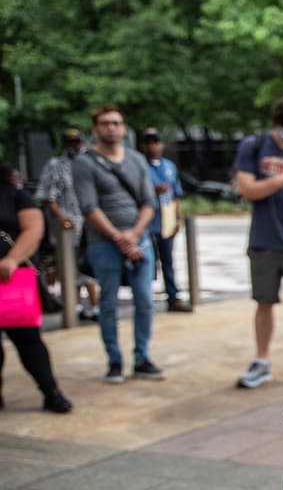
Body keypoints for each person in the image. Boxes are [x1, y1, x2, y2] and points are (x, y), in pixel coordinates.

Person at [72, 105, 163, 383]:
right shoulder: (85, 163)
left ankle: (142, 357)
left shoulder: (136, 160)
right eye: (105, 123)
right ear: (95, 129)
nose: (111, 128)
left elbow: (149, 202)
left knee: (144, 301)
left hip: (139, 240)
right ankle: (114, 360)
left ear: (124, 128)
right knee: (109, 302)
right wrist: (118, 238)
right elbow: (89, 207)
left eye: (116, 123)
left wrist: (133, 235)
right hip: (104, 242)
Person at [232, 94, 283, 389]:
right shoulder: (254, 145)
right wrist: (281, 180)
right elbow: (247, 190)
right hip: (264, 240)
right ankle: (262, 360)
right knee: (264, 302)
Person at [0, 161, 72, 414]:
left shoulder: (14, 195)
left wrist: (12, 259)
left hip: (9, 281)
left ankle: (51, 392)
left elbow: (33, 229)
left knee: (28, 341)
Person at [35, 128, 99, 321]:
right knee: (70, 267)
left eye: (76, 142)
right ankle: (76, 306)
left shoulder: (89, 163)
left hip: (89, 223)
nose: (74, 146)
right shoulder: (55, 165)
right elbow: (48, 197)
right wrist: (62, 217)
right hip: (67, 227)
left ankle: (95, 306)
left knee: (88, 263)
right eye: (70, 143)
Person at [140, 129, 193, 313]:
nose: (153, 146)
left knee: (168, 261)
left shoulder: (169, 166)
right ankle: (145, 300)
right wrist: (153, 190)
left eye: (156, 142)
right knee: (147, 262)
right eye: (149, 143)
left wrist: (179, 218)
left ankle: (173, 297)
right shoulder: (140, 166)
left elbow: (175, 194)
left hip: (166, 219)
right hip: (146, 221)